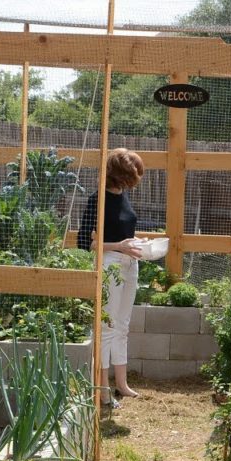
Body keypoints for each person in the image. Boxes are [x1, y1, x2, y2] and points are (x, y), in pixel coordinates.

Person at [78, 148, 145, 409]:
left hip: (130, 264)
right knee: (106, 327)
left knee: (122, 325)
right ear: (121, 175)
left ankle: (122, 384)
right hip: (110, 266)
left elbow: (124, 231)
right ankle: (102, 391)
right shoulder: (98, 199)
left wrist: (137, 244)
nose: (136, 180)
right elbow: (86, 242)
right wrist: (119, 246)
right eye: (133, 175)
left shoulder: (123, 196)